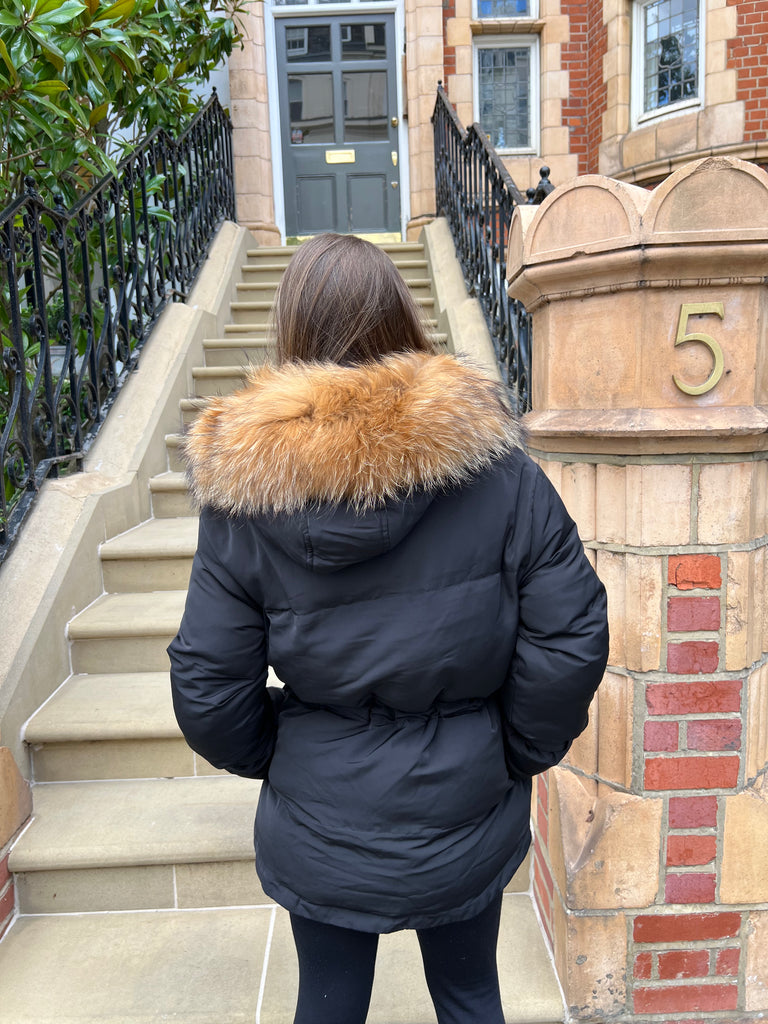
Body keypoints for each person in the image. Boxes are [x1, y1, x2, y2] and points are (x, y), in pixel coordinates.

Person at [168, 232, 609, 1024]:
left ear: (289, 334)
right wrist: (510, 750)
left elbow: (208, 685)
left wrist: (292, 756)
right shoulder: (499, 471)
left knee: (328, 1005)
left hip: (324, 816)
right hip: (466, 802)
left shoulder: (244, 495)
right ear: (403, 320)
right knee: (470, 997)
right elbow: (570, 637)